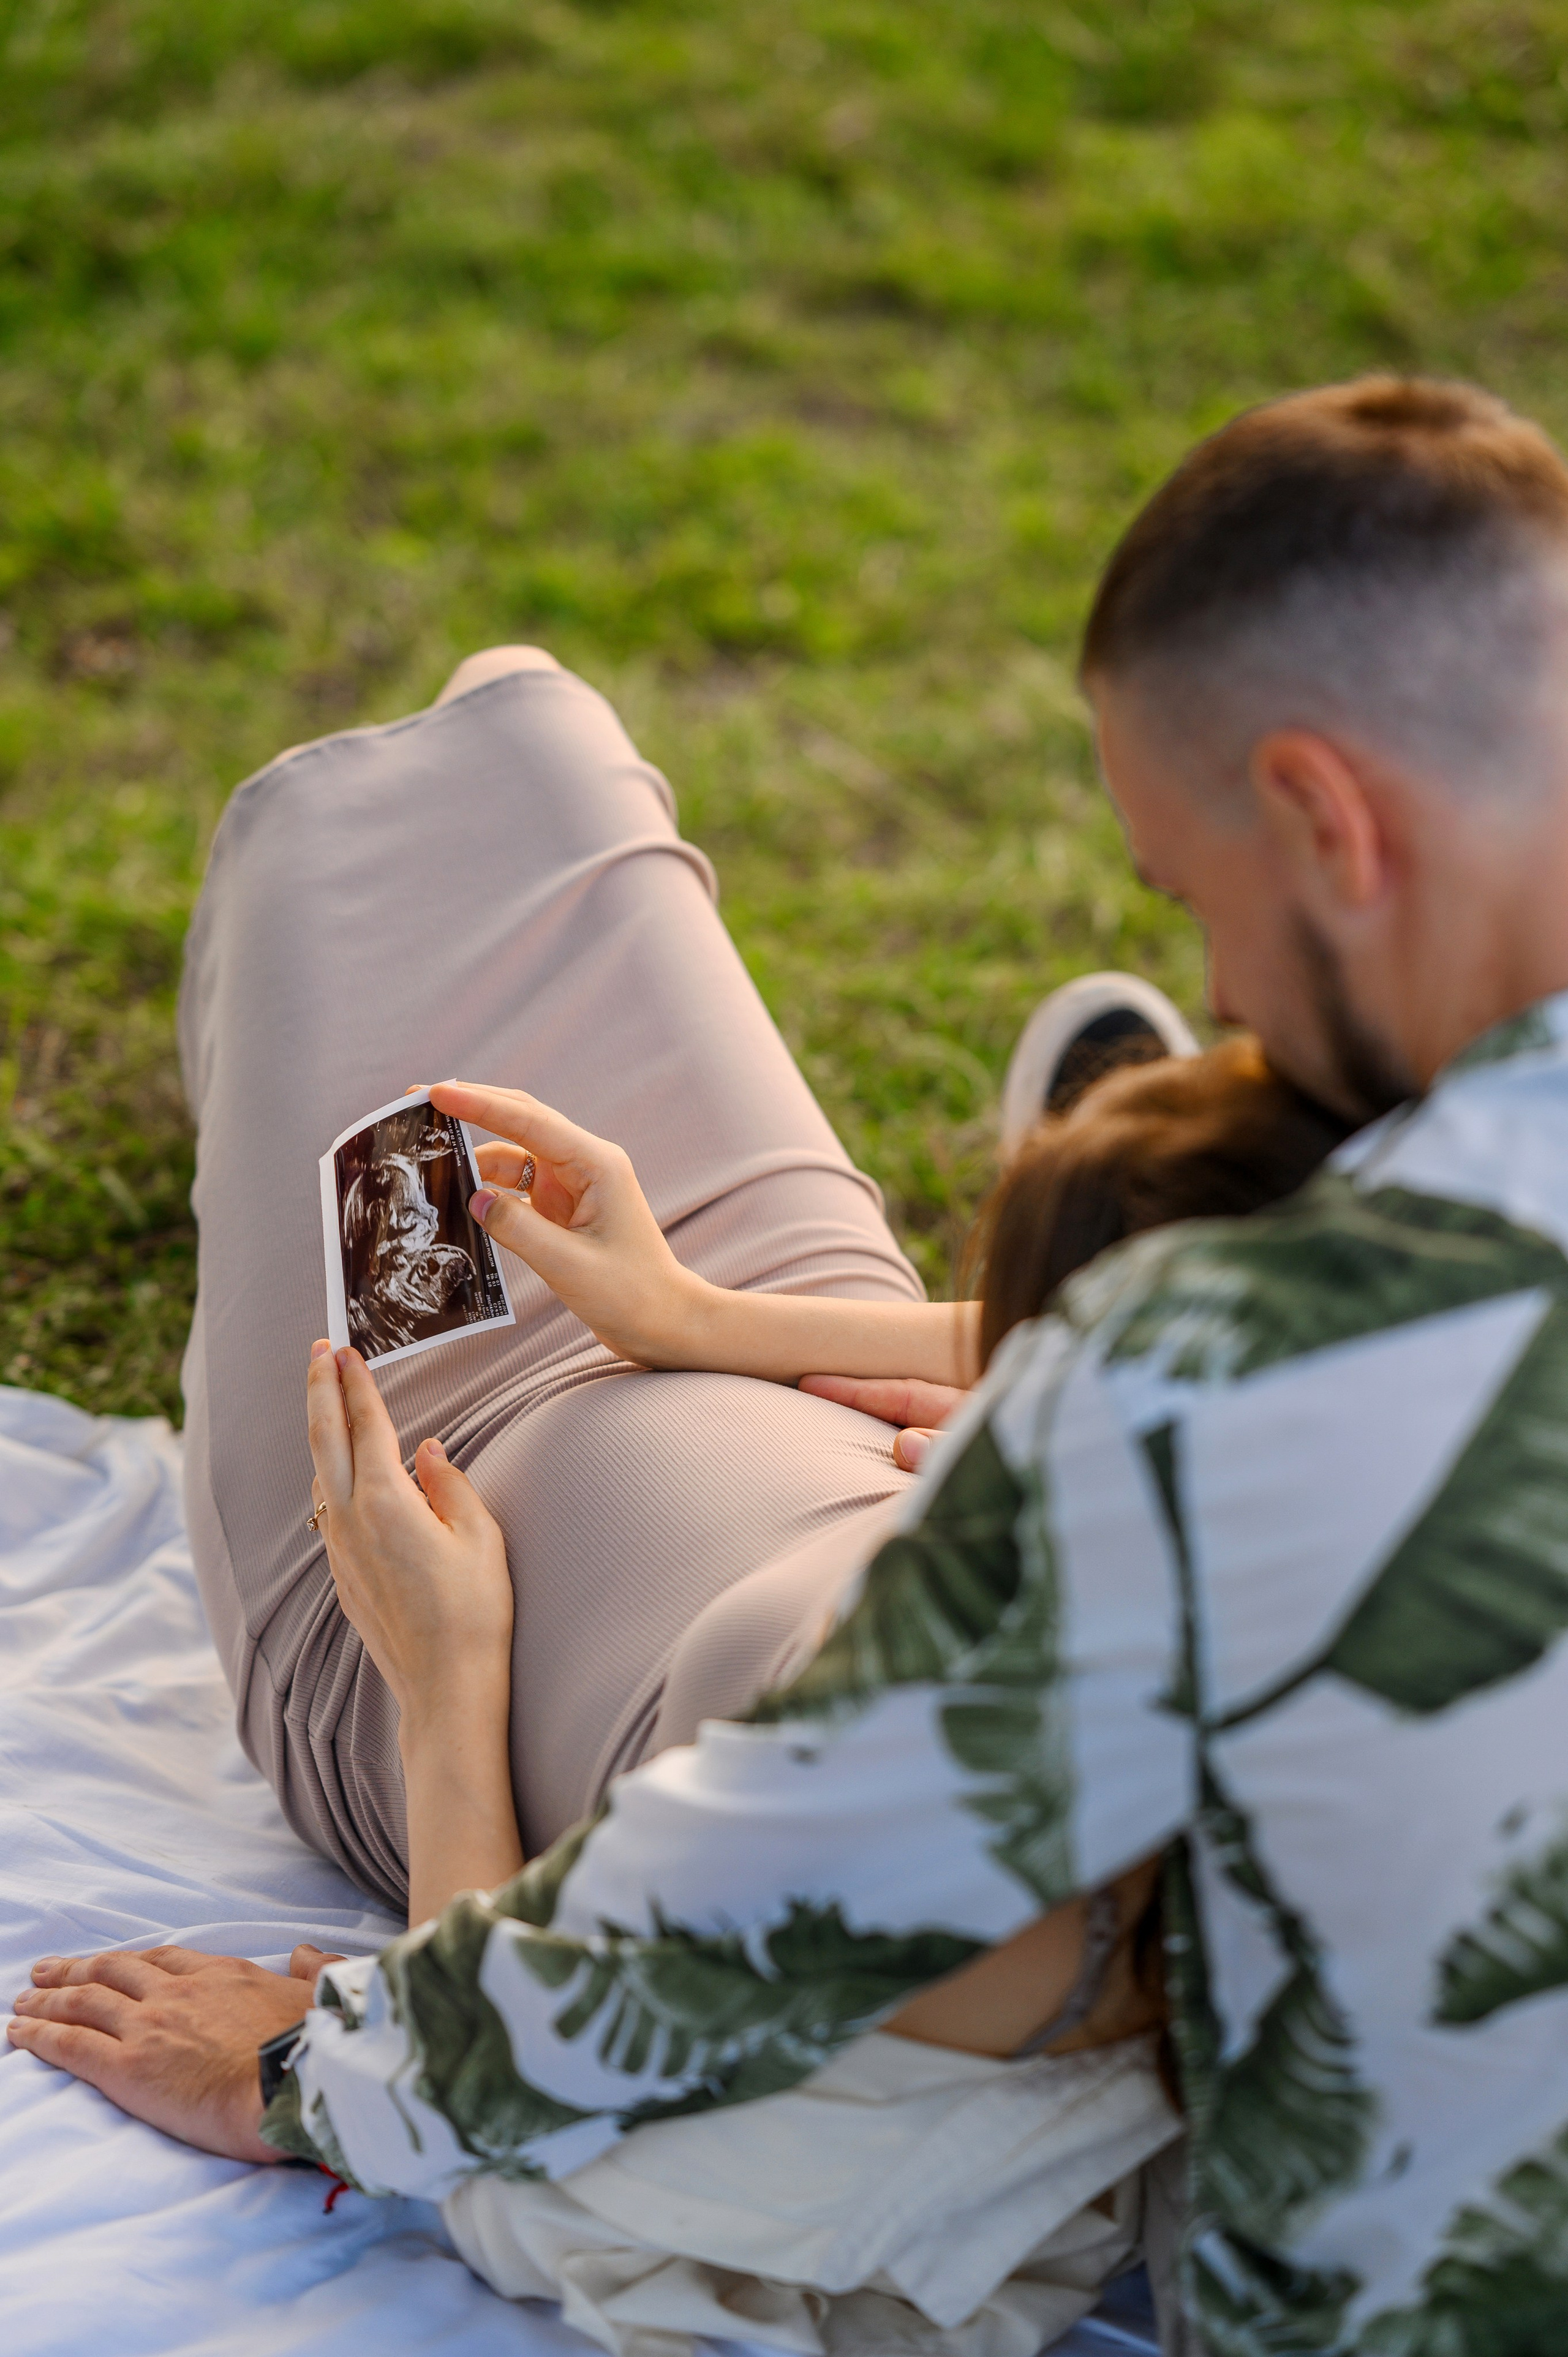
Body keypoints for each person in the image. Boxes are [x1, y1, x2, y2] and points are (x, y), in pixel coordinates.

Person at [17, 374, 1568, 2355]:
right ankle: (1092, 1197)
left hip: (461, 1582)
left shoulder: (1227, 1384)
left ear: (1325, 821)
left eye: (1206, 908)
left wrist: (301, 2069)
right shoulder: (1261, 1335)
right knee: (519, 733)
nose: (1240, 1003)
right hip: (785, 1380)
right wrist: (721, 1323)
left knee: (395, 834)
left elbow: (743, 1905)